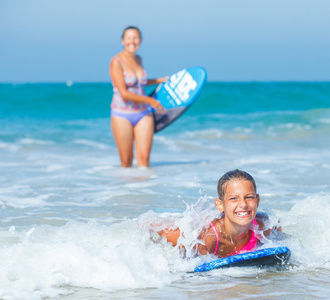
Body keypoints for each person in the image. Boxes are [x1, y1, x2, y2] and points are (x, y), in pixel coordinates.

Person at [156, 169, 281, 258]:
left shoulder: (265, 226)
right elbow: (159, 231)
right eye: (234, 198)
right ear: (220, 205)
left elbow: (278, 227)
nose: (243, 204)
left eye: (249, 197)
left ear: (257, 201)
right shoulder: (206, 240)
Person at [109, 26, 168, 168]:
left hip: (143, 113)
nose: (132, 41)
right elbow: (124, 92)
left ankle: (144, 189)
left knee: (144, 161)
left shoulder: (138, 59)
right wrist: (150, 100)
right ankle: (126, 189)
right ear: (123, 41)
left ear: (140, 40)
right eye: (129, 38)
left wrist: (159, 80)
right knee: (126, 161)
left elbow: (139, 83)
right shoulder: (116, 61)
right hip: (122, 114)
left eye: (135, 38)